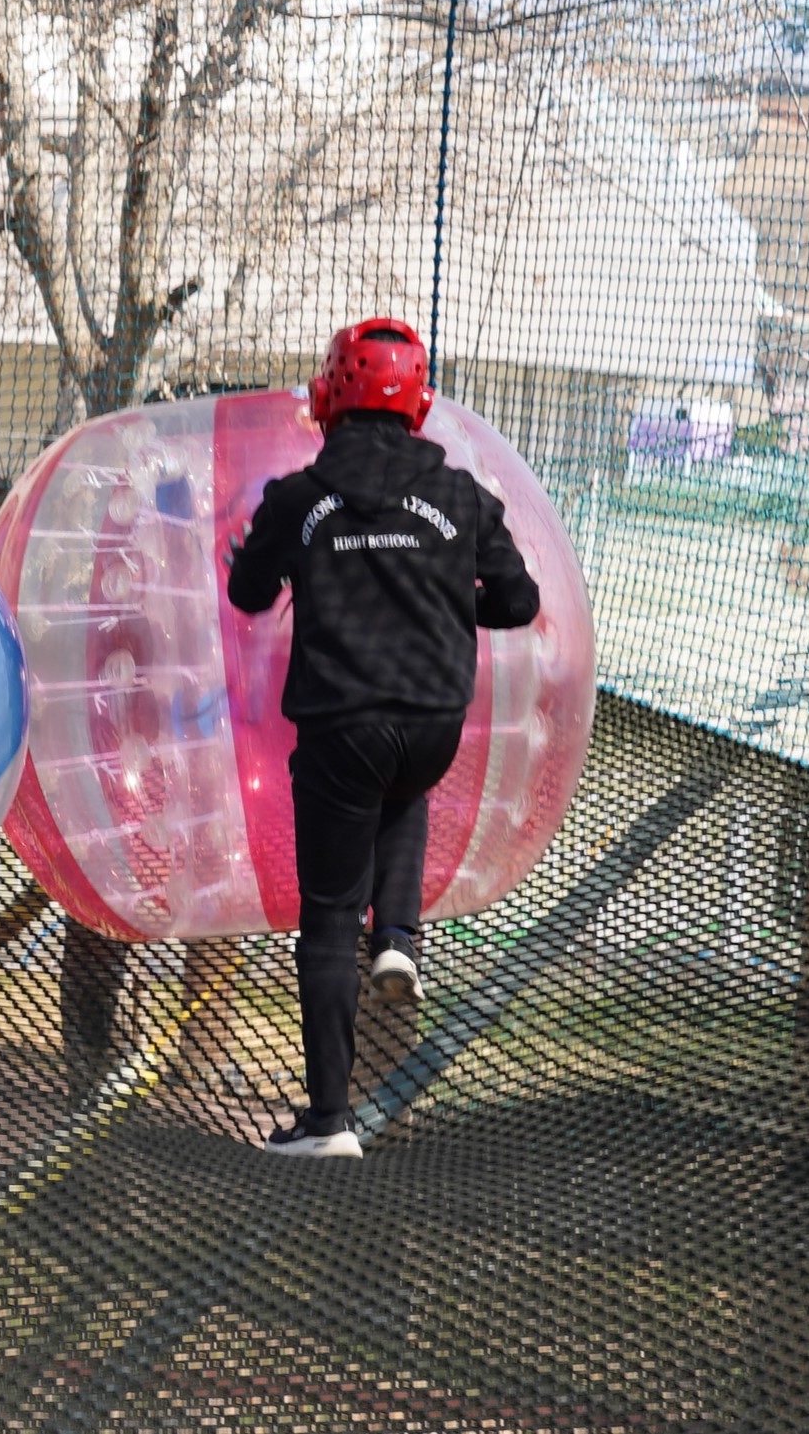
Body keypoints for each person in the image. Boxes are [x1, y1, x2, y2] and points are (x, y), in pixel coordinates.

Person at [226, 319, 541, 1159]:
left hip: (340, 725)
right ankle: (397, 938)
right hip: (431, 722)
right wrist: (442, 604)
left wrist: (275, 557)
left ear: (330, 395)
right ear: (418, 404)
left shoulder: (297, 498)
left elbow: (248, 593)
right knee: (402, 786)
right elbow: (516, 601)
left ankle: (327, 1121)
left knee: (327, 917)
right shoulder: (463, 496)